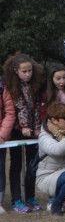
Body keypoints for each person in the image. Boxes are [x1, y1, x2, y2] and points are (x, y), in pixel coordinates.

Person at [2, 53, 45, 213]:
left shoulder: (36, 84)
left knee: (32, 165)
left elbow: (37, 107)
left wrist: (37, 126)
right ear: (15, 71)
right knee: (16, 165)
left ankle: (31, 197)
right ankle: (16, 200)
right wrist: (25, 126)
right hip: (17, 131)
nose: (28, 74)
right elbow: (19, 107)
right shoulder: (11, 86)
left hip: (34, 131)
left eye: (30, 71)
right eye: (24, 71)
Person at [0, 79, 17, 214]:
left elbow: (10, 112)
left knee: (0, 170)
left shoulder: (2, 86)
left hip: (1, 138)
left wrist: (3, 135)